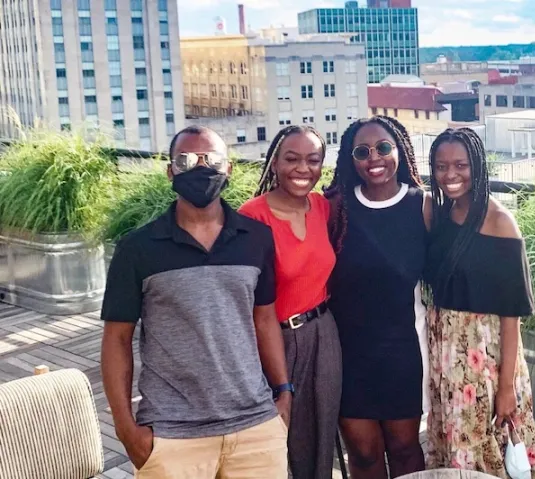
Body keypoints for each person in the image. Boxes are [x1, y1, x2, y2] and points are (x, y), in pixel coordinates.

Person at [100, 126, 292, 479]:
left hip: (255, 426)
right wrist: (126, 429)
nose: (200, 168)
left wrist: (284, 395)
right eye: (186, 160)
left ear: (229, 169)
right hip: (172, 434)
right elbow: (116, 339)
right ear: (170, 170)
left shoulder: (257, 239)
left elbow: (264, 320)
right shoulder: (137, 249)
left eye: (212, 159)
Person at [424, 128, 535, 478]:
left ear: (477, 166)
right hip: (445, 357)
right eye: (441, 166)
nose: (450, 175)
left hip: (485, 360)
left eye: (460, 165)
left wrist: (505, 388)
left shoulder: (501, 223)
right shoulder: (441, 217)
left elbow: (511, 315)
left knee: (488, 452)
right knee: (452, 447)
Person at [325, 116, 431, 479]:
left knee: (404, 450)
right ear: (351, 159)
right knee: (365, 453)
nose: (375, 158)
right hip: (348, 353)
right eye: (362, 151)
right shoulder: (335, 208)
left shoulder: (423, 206)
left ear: (399, 149)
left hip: (402, 350)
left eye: (384, 147)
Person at [238, 125, 342, 479]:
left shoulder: (323, 208)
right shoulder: (252, 216)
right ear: (275, 164)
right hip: (275, 339)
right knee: (282, 436)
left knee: (322, 434)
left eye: (313, 160)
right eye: (292, 159)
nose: (303, 169)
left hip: (324, 334)